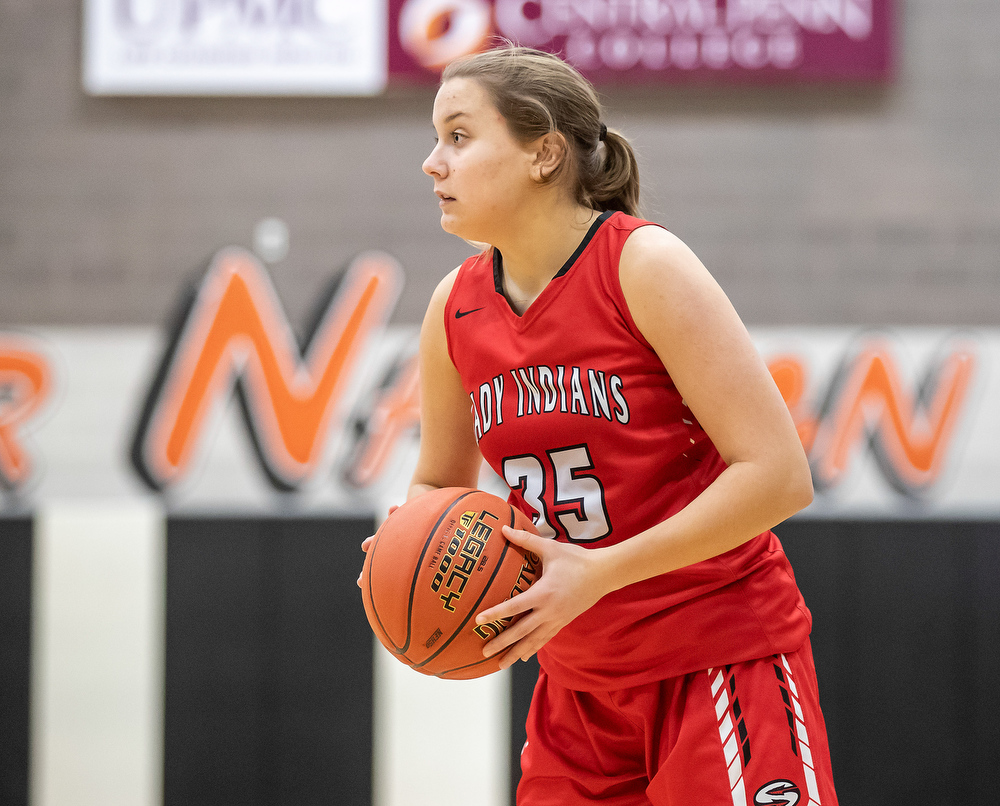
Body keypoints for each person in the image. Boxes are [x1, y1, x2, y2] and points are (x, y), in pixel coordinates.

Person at [369, 44, 838, 806]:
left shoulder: (642, 266)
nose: (432, 163)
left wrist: (601, 572)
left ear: (543, 153)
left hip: (715, 654)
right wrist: (406, 543)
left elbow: (778, 476)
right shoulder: (452, 306)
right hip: (579, 685)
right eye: (435, 138)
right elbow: (439, 483)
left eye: (458, 135)